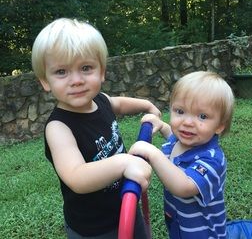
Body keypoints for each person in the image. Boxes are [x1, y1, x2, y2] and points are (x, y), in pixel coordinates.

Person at [31, 18, 161, 239]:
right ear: (45, 81)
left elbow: (118, 104)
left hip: (126, 204)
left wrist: (146, 106)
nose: (76, 80)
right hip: (95, 229)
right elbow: (76, 177)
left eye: (86, 68)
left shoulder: (100, 100)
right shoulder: (59, 128)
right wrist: (125, 162)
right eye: (62, 72)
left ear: (101, 71)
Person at [129, 71, 235, 239]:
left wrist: (154, 154)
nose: (187, 122)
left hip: (203, 234)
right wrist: (162, 125)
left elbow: (184, 187)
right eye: (180, 111)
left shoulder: (212, 159)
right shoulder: (181, 141)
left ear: (219, 126)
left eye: (202, 116)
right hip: (180, 224)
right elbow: (172, 136)